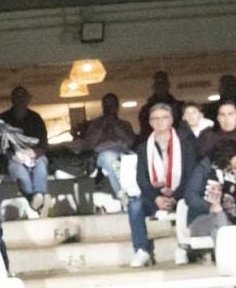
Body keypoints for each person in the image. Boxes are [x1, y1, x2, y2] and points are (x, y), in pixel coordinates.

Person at [130, 101, 206, 267]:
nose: (159, 121)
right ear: (150, 122)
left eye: (164, 117)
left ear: (171, 120)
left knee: (191, 200)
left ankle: (183, 247)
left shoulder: (185, 143)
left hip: (181, 193)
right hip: (155, 196)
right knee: (135, 205)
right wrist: (157, 197)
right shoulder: (144, 148)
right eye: (155, 118)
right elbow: (141, 178)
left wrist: (175, 195)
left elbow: (191, 173)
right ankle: (141, 250)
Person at [0, 86, 51, 212]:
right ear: (12, 99)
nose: (20, 99)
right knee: (20, 172)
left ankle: (39, 195)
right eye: (17, 96)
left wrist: (34, 152)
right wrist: (12, 155)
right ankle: (36, 198)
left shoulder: (36, 118)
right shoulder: (3, 118)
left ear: (28, 99)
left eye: (22, 96)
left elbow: (43, 143)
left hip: (34, 156)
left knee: (41, 164)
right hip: (13, 158)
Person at [78, 92, 137, 204]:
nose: (109, 108)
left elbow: (131, 142)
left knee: (132, 159)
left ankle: (136, 194)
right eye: (106, 105)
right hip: (103, 154)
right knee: (110, 157)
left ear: (117, 106)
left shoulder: (125, 124)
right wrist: (102, 127)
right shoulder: (95, 124)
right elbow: (89, 145)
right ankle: (121, 193)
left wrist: (116, 126)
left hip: (123, 152)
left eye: (112, 105)